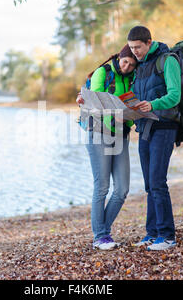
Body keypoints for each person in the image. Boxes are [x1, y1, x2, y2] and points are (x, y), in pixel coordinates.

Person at [76, 44, 137, 250]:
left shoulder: (132, 77)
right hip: (99, 133)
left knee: (122, 188)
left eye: (131, 64)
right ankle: (101, 236)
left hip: (121, 135)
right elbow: (94, 103)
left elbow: (132, 105)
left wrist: (130, 117)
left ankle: (101, 233)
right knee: (101, 187)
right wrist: (116, 114)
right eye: (125, 62)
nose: (127, 67)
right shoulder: (103, 72)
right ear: (119, 57)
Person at [127, 26, 182, 251]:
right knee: (150, 184)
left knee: (158, 182)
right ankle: (152, 233)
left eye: (138, 47)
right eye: (131, 48)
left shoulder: (168, 60)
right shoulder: (140, 65)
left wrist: (153, 104)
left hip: (164, 127)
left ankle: (168, 236)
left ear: (149, 42)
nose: (135, 52)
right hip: (145, 127)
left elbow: (174, 95)